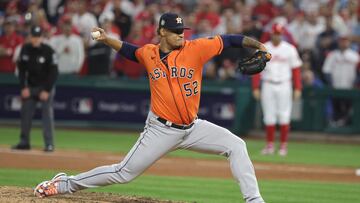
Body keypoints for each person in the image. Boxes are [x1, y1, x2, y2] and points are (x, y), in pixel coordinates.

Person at [34, 13, 270, 203]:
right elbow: (129, 50)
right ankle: (65, 183)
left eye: (182, 30)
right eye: (176, 31)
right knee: (123, 173)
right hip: (161, 130)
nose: (181, 34)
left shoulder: (195, 49)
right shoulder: (149, 53)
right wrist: (106, 39)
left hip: (193, 127)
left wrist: (259, 45)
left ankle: (254, 200)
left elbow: (229, 40)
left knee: (237, 145)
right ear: (162, 32)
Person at [252, 24, 302, 156]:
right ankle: (269, 145)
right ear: (271, 33)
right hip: (268, 84)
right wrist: (255, 87)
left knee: (284, 115)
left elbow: (296, 70)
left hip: (285, 84)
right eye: (275, 33)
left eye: (279, 33)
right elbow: (257, 69)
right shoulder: (263, 48)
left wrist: (298, 87)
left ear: (282, 34)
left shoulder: (290, 49)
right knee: (269, 116)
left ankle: (283, 146)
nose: (277, 36)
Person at [12, 25, 59, 152]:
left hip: (45, 88)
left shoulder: (49, 50)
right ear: (30, 37)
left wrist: (47, 90)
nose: (36, 39)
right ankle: (24, 142)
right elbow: (21, 71)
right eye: (34, 36)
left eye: (38, 37)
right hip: (31, 87)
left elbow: (54, 72)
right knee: (25, 113)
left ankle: (49, 144)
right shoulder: (25, 49)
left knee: (47, 115)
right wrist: (23, 87)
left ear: (42, 37)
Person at [322, 32, 359, 127]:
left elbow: (358, 72)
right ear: (339, 42)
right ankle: (336, 126)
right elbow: (326, 70)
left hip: (350, 87)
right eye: (342, 41)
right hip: (336, 87)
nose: (343, 43)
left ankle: (346, 126)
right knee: (336, 108)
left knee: (348, 109)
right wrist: (331, 84)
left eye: (345, 41)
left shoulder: (355, 56)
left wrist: (356, 83)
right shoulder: (333, 55)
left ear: (349, 42)